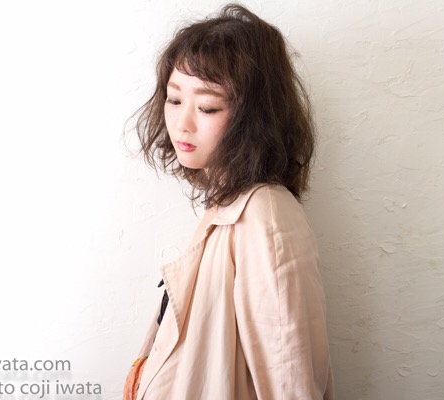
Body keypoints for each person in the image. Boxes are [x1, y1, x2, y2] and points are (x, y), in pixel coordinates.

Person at [123, 3, 333, 399]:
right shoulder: (229, 204)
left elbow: (290, 382)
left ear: (254, 117)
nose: (182, 123)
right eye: (173, 99)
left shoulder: (265, 217)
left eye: (207, 107)